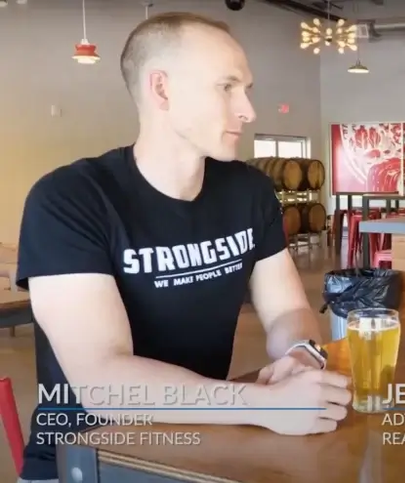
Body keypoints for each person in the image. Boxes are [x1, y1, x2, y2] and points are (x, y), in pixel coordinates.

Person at [15, 13, 350, 482]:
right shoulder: (71, 199)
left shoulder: (249, 192)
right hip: (89, 460)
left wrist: (298, 354)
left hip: (200, 442)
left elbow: (286, 309)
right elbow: (104, 383)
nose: (249, 111)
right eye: (227, 87)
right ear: (162, 89)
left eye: (247, 89)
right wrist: (257, 402)